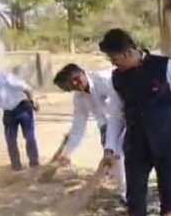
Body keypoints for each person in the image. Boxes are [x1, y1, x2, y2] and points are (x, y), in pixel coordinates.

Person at [98, 28, 171, 216]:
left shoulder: (165, 66)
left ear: (128, 52)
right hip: (136, 145)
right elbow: (116, 115)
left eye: (114, 58)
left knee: (168, 196)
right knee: (135, 196)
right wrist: (110, 147)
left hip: (168, 141)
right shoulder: (117, 78)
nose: (113, 64)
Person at [52, 63, 127, 204]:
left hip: (125, 117)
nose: (76, 84)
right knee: (114, 158)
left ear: (82, 72)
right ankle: (126, 194)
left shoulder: (104, 80)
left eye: (77, 78)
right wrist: (67, 152)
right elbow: (78, 126)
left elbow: (120, 103)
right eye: (70, 85)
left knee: (121, 154)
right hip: (106, 126)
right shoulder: (79, 99)